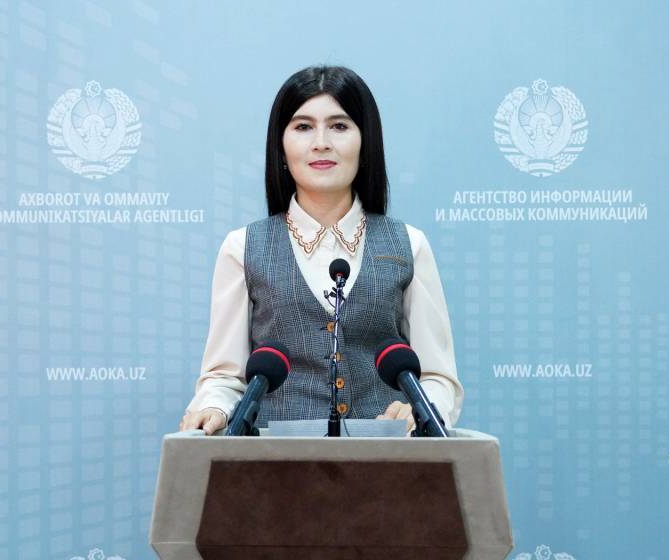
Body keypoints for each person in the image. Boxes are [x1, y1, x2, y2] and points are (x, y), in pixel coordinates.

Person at [180, 65, 462, 435]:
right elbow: (225, 376)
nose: (321, 142)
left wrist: (421, 409)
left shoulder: (409, 244)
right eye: (303, 127)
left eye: (339, 126)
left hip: (386, 457)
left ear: (365, 142)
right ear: (281, 147)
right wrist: (213, 408)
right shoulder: (242, 247)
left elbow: (437, 376)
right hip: (272, 460)